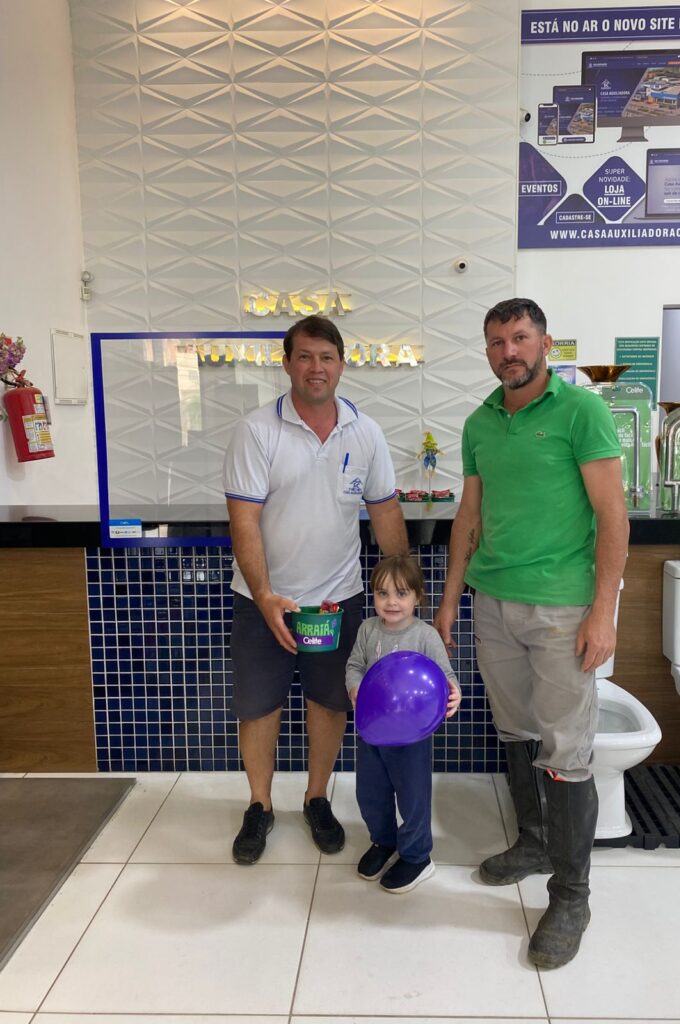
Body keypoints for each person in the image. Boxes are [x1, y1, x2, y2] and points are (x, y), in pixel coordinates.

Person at [434, 298, 628, 968]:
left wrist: (603, 611)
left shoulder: (582, 411)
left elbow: (613, 516)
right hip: (493, 603)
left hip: (563, 609)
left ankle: (571, 896)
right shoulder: (479, 422)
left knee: (566, 749)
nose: (507, 351)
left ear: (544, 342)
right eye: (495, 341)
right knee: (516, 730)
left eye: (519, 338)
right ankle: (536, 841)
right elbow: (469, 517)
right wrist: (450, 601)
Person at [223, 314, 408, 865]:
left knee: (329, 701)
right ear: (287, 364)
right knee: (259, 706)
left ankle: (316, 797)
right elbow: (244, 521)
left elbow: (385, 512)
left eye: (326, 357)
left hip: (337, 599)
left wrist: (403, 589)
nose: (316, 367)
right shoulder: (257, 430)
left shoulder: (365, 432)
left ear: (342, 365)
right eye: (304, 356)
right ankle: (259, 805)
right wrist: (264, 595)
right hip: (264, 600)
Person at [346, 555, 461, 893]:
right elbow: (354, 665)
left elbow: (445, 676)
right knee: (370, 792)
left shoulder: (426, 636)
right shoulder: (368, 629)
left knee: (413, 797)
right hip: (372, 730)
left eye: (401, 593)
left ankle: (416, 856)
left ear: (417, 596)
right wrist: (355, 687)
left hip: (412, 736)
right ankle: (384, 841)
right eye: (382, 593)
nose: (391, 602)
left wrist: (454, 693)